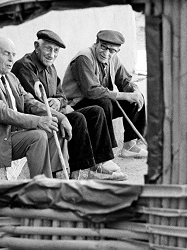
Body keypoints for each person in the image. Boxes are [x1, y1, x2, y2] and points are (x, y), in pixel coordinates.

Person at [12, 30, 126, 180]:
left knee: (96, 112)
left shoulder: (50, 67)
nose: (51, 54)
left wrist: (58, 101)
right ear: (36, 46)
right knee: (77, 119)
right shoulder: (25, 66)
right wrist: (57, 108)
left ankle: (98, 167)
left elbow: (62, 95)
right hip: (38, 119)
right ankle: (75, 175)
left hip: (56, 113)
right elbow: (32, 104)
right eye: (48, 48)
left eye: (56, 51)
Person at [0, 36, 71, 178]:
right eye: (6, 54)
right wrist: (38, 121)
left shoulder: (11, 77)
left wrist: (60, 117)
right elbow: (2, 113)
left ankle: (57, 179)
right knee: (38, 136)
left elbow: (29, 102)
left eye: (13, 55)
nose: (11, 60)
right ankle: (42, 189)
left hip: (13, 135)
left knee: (55, 129)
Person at [62, 30, 147, 159]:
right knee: (104, 102)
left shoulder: (114, 59)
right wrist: (124, 95)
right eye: (103, 47)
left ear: (117, 51)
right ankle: (104, 155)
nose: (106, 53)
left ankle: (130, 146)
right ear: (96, 43)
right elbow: (92, 91)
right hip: (76, 105)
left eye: (112, 50)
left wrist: (134, 91)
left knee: (135, 98)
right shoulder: (84, 58)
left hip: (100, 102)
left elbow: (126, 80)